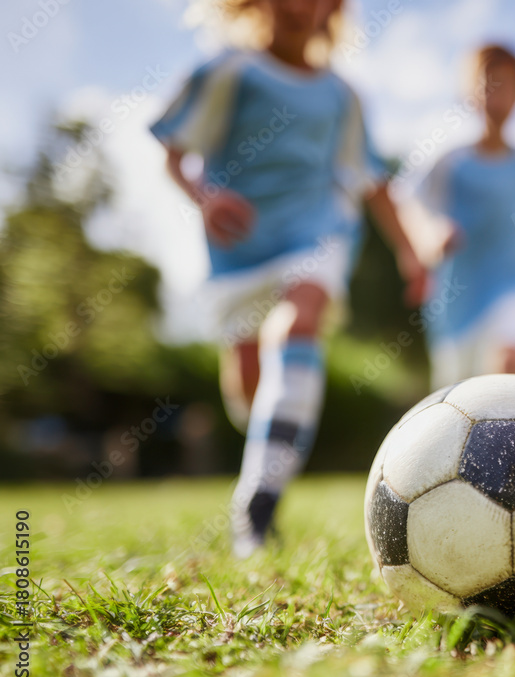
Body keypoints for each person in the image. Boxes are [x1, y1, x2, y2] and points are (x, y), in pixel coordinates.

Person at [150, 0, 425, 556]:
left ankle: (258, 502)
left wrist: (410, 252)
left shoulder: (342, 96)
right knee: (250, 391)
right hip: (239, 250)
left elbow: (373, 183)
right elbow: (174, 154)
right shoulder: (227, 71)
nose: (302, 6)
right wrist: (205, 196)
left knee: (297, 324)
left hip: (317, 235)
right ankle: (267, 445)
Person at [406, 43, 515, 389]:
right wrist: (429, 235)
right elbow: (409, 206)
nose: (497, 93)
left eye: (507, 83)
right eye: (488, 83)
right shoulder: (449, 161)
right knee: (457, 399)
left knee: (506, 372)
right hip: (457, 296)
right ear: (469, 92)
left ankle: (511, 439)